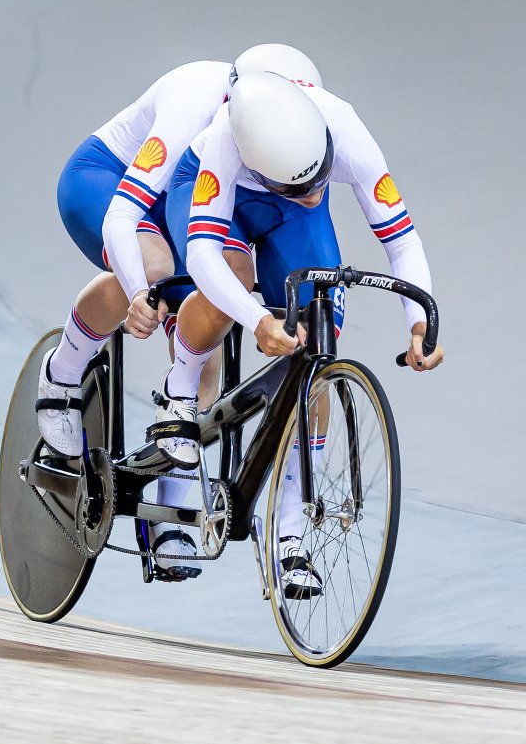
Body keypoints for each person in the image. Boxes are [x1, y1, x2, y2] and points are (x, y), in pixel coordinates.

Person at [35, 45, 322, 581]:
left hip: (184, 192)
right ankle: (64, 372)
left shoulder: (273, 137)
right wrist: (141, 289)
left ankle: (173, 503)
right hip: (111, 181)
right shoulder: (196, 100)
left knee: (201, 335)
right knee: (156, 262)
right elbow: (124, 214)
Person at [162, 70, 445, 596]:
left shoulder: (346, 130)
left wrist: (419, 322)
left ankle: (287, 534)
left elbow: (402, 239)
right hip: (215, 195)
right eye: (302, 186)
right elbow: (202, 258)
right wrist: (256, 319)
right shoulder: (224, 143)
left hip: (285, 209)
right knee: (233, 273)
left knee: (317, 342)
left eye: (320, 181)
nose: (316, 194)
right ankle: (180, 387)